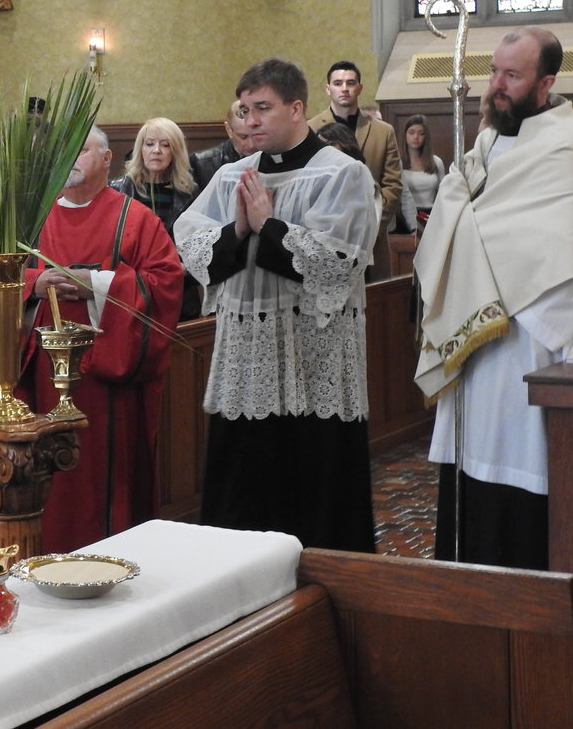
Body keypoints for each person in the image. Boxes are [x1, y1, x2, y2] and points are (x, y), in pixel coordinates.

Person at [175, 58, 379, 553]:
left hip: (315, 360)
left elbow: (336, 265)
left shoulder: (341, 174)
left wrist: (269, 226)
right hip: (250, 361)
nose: (251, 121)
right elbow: (193, 244)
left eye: (263, 108)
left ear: (296, 108)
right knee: (244, 494)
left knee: (316, 493)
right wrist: (239, 229)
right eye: (245, 110)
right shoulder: (232, 176)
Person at [414, 27, 573, 571]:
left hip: (526, 336)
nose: (496, 85)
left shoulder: (562, 153)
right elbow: (455, 207)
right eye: (493, 71)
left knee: (518, 464)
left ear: (546, 83)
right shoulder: (488, 142)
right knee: (468, 465)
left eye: (512, 75)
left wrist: (471, 227)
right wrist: (464, 213)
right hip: (474, 338)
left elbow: (550, 247)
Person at [20, 127, 184, 552]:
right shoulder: (31, 219)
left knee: (102, 473)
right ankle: (47, 558)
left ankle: (113, 557)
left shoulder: (136, 219)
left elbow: (166, 283)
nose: (69, 159)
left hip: (107, 375)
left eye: (81, 149)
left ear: (107, 159)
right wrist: (35, 284)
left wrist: (97, 285)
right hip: (41, 377)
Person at [307, 61, 403, 279]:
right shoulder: (310, 129)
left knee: (374, 296)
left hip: (372, 236)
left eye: (350, 83)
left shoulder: (383, 131)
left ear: (359, 88)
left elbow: (393, 184)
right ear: (328, 89)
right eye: (338, 83)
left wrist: (369, 224)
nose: (344, 89)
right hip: (326, 236)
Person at [110, 117, 200, 321]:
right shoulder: (117, 190)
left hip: (177, 292)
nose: (156, 150)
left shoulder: (190, 192)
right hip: (129, 291)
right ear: (140, 149)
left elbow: (200, 243)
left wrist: (186, 267)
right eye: (149, 144)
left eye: (165, 145)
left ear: (175, 151)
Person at [189, 101, 257, 192]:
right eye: (243, 137)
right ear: (229, 130)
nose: (251, 145)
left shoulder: (272, 156)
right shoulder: (201, 163)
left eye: (256, 136)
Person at [400, 114, 445, 232]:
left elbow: (443, 193)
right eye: (411, 132)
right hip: (405, 218)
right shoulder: (398, 163)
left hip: (431, 215)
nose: (416, 137)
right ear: (405, 135)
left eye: (421, 133)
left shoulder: (436, 162)